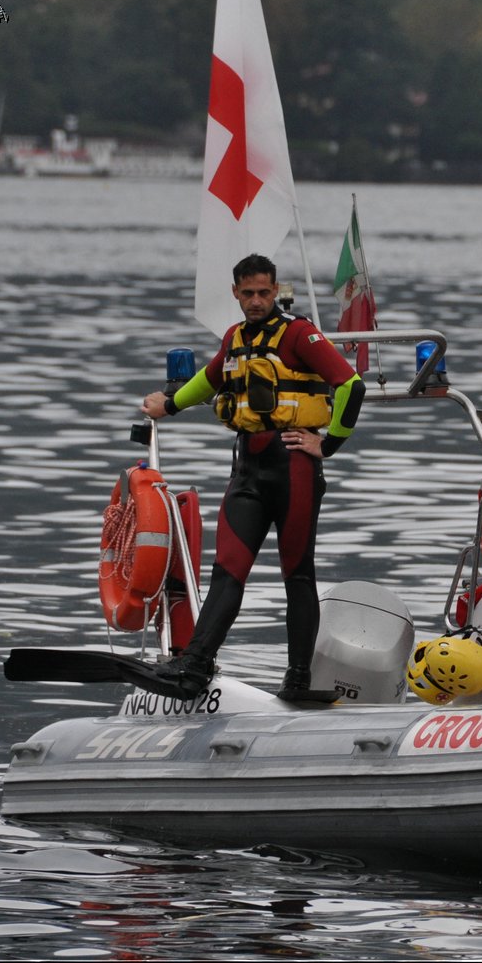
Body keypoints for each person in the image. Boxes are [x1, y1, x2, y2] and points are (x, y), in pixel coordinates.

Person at [138, 253, 366, 701]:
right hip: (247, 472)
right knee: (227, 573)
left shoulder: (299, 333)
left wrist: (329, 444)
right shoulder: (235, 338)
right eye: (249, 294)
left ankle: (298, 680)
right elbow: (208, 380)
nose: (257, 300)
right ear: (236, 293)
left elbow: (350, 386)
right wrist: (169, 406)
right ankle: (195, 667)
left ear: (275, 289)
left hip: (294, 469)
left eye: (265, 292)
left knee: (297, 576)